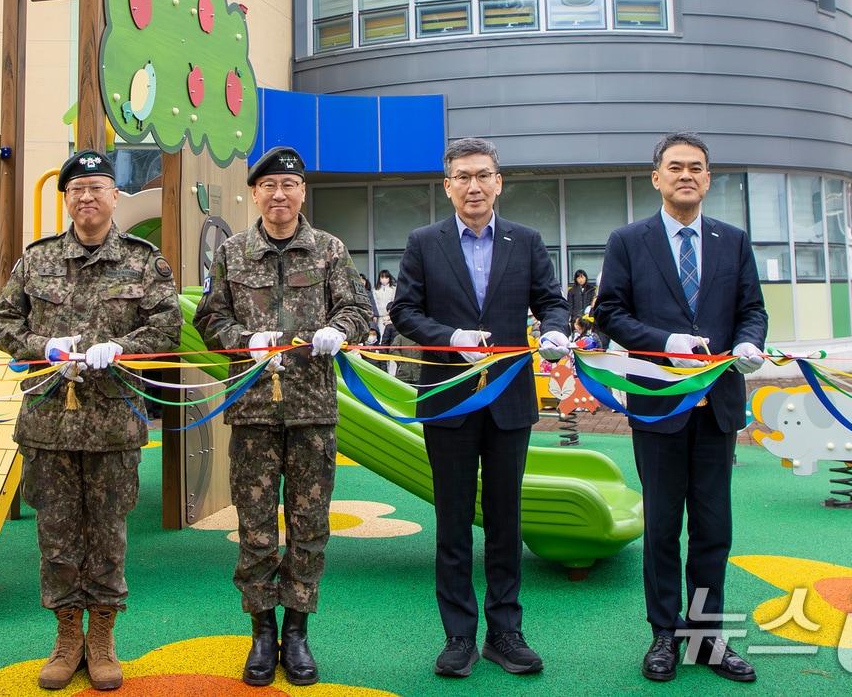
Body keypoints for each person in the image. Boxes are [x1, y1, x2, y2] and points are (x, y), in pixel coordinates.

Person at [0, 150, 182, 692]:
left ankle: (102, 638)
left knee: (108, 535)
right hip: (49, 424)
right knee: (56, 537)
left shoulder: (145, 262)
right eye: (77, 189)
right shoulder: (37, 261)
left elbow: (167, 329)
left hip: (113, 424)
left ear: (114, 196)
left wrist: (120, 348)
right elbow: (4, 323)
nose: (87, 197)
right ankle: (66, 635)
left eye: (98, 187)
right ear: (66, 199)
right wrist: (39, 345)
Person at [389, 137, 571, 679]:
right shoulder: (424, 242)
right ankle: (458, 637)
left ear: (499, 182)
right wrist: (450, 337)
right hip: (449, 401)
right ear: (447, 186)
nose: (474, 186)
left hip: (510, 401)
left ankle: (506, 632)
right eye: (462, 177)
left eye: (483, 175)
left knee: (504, 520)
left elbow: (553, 301)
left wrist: (557, 331)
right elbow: (404, 311)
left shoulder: (526, 240)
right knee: (452, 521)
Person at [194, 145, 373, 687]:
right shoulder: (231, 252)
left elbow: (361, 310)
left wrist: (340, 329)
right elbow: (209, 318)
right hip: (252, 411)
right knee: (254, 526)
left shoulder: (329, 250)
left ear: (302, 193)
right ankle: (261, 632)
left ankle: (296, 630)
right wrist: (243, 341)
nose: (279, 194)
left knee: (309, 524)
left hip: (312, 412)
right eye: (269, 185)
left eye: (289, 185)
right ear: (255, 193)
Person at [594, 132, 767, 684]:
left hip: (717, 405)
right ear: (656, 178)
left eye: (696, 167)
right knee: (664, 525)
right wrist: (666, 344)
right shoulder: (628, 240)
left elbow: (752, 309)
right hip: (658, 405)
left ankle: (706, 635)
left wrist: (747, 343)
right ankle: (664, 635)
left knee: (713, 526)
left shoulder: (733, 240)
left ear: (708, 179)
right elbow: (610, 315)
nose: (686, 175)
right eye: (675, 167)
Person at [373, 269, 397, 347]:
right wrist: (375, 314)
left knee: (390, 335)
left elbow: (394, 302)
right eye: (382, 277)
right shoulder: (375, 289)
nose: (384, 279)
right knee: (380, 335)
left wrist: (390, 314)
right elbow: (375, 303)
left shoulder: (393, 289)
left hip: (390, 317)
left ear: (389, 278)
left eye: (386, 277)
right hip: (379, 317)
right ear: (379, 279)